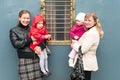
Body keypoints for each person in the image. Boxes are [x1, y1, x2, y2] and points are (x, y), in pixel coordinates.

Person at [9, 10, 44, 80]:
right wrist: (30, 39)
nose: (26, 20)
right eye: (24, 18)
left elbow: (43, 40)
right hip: (24, 60)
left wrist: (40, 47)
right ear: (19, 18)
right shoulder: (13, 30)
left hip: (37, 58)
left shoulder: (33, 29)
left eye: (28, 18)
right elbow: (16, 44)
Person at [71, 12, 104, 80]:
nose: (87, 22)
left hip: (85, 63)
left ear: (95, 22)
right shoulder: (90, 31)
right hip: (84, 64)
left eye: (89, 20)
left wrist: (74, 45)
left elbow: (82, 50)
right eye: (85, 20)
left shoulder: (91, 33)